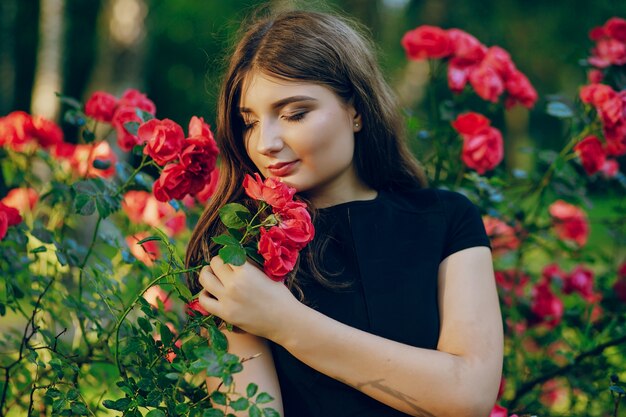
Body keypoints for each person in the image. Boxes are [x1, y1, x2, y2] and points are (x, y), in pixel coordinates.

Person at [185, 8, 503, 417]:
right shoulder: (239, 253)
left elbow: (470, 396)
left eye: (294, 114)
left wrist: (284, 322)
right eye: (249, 122)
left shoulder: (447, 219)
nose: (265, 142)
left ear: (355, 109)